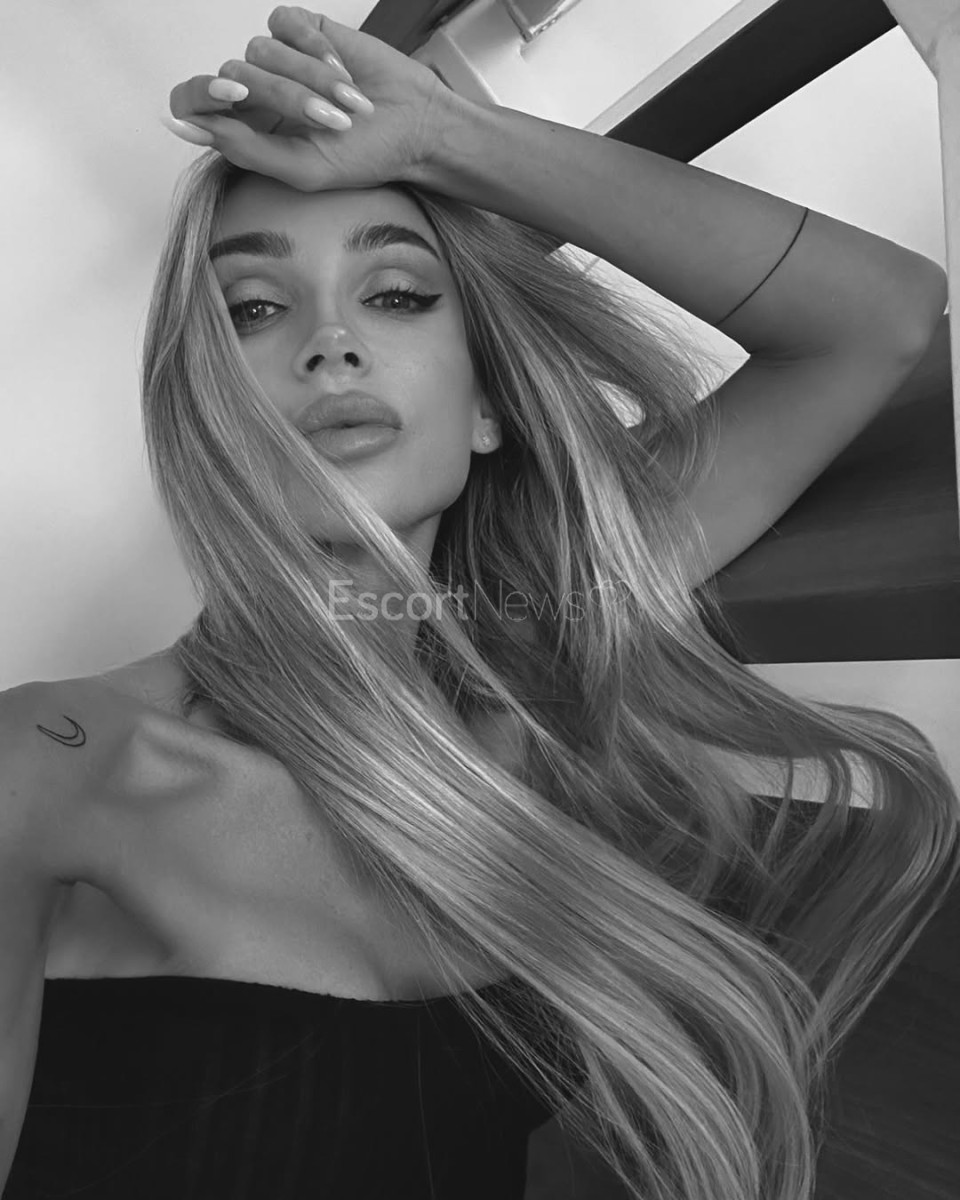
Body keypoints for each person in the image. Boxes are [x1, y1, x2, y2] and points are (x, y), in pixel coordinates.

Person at [1, 8, 956, 1200]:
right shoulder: (47, 767)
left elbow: (878, 317)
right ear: (201, 415)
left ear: (488, 410)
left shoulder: (538, 646)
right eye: (254, 308)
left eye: (398, 293)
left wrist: (444, 137)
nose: (332, 342)